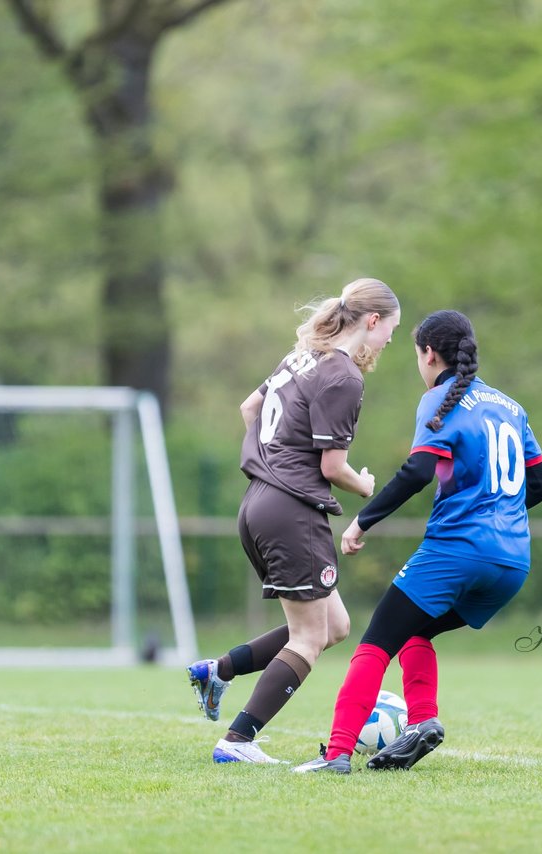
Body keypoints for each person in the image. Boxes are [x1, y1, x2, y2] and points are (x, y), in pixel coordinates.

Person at [292, 309, 542, 774]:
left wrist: (362, 522)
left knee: (374, 645)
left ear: (429, 354)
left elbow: (417, 471)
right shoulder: (510, 407)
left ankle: (335, 755)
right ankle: (421, 723)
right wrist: (499, 515)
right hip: (513, 561)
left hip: (456, 551)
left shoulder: (441, 398)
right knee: (416, 630)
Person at [187, 277, 401, 764]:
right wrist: (365, 486)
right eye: (391, 328)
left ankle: (218, 670)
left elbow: (250, 407)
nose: (390, 339)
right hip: (292, 510)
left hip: (259, 501)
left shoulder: (301, 357)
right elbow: (331, 467)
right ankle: (237, 741)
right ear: (372, 321)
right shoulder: (344, 375)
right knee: (308, 636)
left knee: (334, 624)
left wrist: (273, 457)